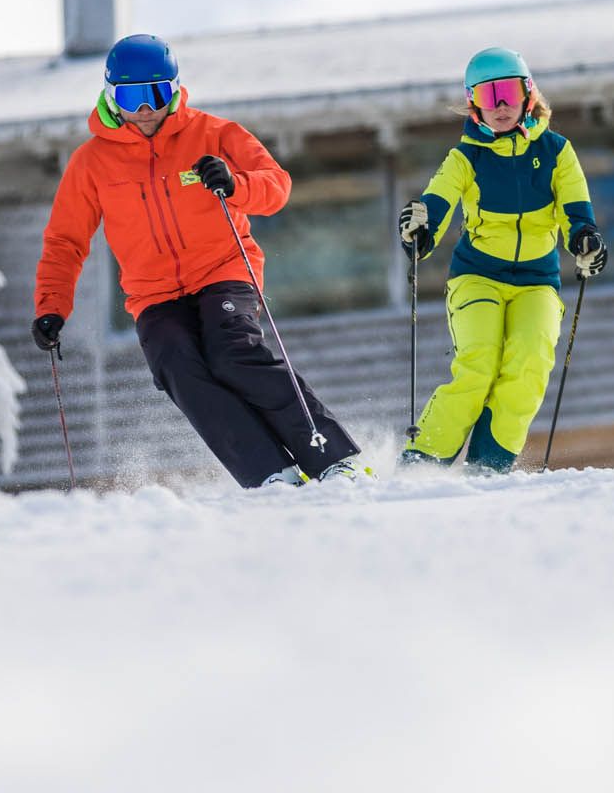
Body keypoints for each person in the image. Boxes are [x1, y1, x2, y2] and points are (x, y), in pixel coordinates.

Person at [32, 33, 368, 487]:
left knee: (232, 351)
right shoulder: (91, 163)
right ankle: (270, 474)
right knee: (179, 367)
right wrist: (52, 307)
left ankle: (332, 458)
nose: (145, 109)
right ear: (111, 97)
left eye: (156, 94)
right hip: (153, 293)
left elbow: (276, 186)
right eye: (131, 97)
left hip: (223, 269)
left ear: (173, 90)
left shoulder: (214, 135)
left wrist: (235, 183)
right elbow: (65, 240)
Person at [396, 47, 606, 472]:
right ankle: (423, 462)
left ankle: (488, 466)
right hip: (477, 276)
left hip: (537, 281)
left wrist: (586, 241)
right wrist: (420, 232)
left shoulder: (556, 151)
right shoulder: (466, 157)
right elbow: (437, 200)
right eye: (488, 96)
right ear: (473, 103)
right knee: (479, 363)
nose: (501, 106)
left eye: (508, 92)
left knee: (530, 362)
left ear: (528, 93)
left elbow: (576, 212)